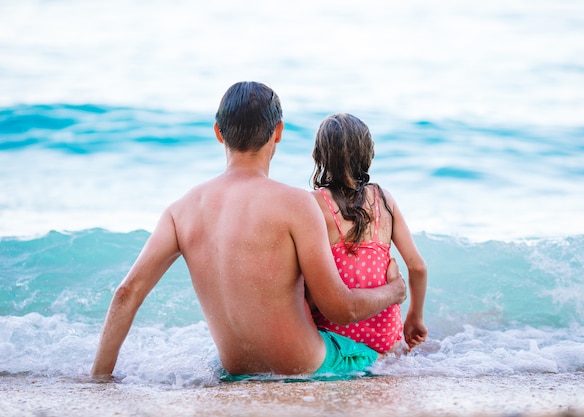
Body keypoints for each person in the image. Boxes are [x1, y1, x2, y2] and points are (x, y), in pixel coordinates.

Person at [91, 82, 406, 380]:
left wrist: (99, 379)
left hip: (235, 370)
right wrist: (394, 292)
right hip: (307, 366)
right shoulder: (297, 203)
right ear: (278, 132)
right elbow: (340, 308)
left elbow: (126, 294)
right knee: (394, 359)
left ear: (218, 133)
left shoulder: (180, 211)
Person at [308, 113, 428, 354]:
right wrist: (414, 318)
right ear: (368, 155)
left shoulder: (315, 204)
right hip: (386, 340)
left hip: (336, 338)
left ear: (319, 157)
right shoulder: (384, 199)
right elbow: (417, 267)